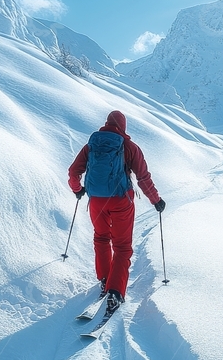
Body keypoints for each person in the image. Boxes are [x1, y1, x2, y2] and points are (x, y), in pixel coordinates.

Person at [68, 110, 165, 313]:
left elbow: (73, 171)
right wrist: (156, 200)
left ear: (106, 123)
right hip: (121, 201)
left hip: (96, 201)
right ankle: (115, 291)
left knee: (101, 238)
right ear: (123, 126)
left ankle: (105, 279)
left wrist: (78, 190)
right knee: (122, 246)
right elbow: (143, 177)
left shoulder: (92, 145)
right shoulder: (130, 147)